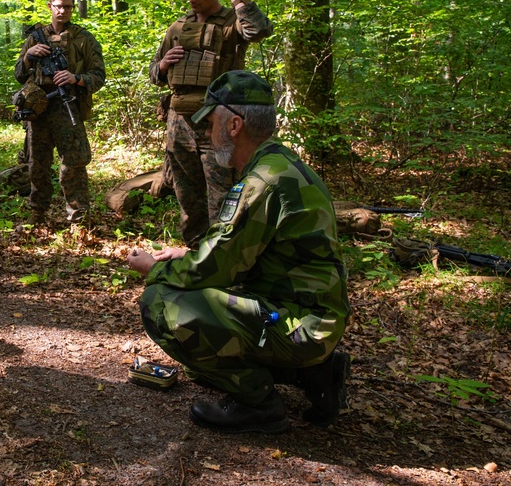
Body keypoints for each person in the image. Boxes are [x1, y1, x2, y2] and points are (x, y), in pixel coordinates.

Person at [127, 70, 350, 434]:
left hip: (301, 324)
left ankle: (258, 404)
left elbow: (214, 269)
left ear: (233, 125)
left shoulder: (263, 181)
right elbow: (246, 253)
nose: (207, 133)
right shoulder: (280, 165)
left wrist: (153, 267)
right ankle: (315, 373)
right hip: (308, 316)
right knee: (202, 355)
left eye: (211, 123)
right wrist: (188, 254)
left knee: (161, 303)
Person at [151, 0, 273, 247]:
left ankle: (224, 254)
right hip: (178, 124)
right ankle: (195, 253)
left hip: (215, 123)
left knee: (223, 198)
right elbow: (154, 72)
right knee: (186, 197)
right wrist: (163, 66)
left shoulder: (232, 23)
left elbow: (259, 30)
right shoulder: (178, 27)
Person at [14, 0, 105, 226]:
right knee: (37, 165)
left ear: (73, 8)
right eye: (58, 6)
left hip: (68, 108)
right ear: (50, 7)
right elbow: (19, 75)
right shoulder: (35, 37)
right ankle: (37, 214)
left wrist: (76, 78)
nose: (62, 11)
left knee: (73, 165)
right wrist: (28, 56)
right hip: (38, 112)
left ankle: (78, 218)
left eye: (67, 6)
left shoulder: (84, 39)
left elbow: (98, 76)